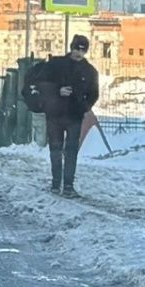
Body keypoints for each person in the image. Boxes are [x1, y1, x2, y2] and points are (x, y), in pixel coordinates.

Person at [35, 35, 100, 197]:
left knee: (71, 151)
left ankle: (69, 185)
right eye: (77, 48)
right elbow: (41, 83)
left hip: (74, 116)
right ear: (71, 47)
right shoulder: (56, 65)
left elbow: (94, 94)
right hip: (55, 114)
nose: (79, 52)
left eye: (82, 49)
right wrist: (57, 91)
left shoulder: (89, 71)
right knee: (55, 149)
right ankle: (56, 183)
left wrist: (84, 107)